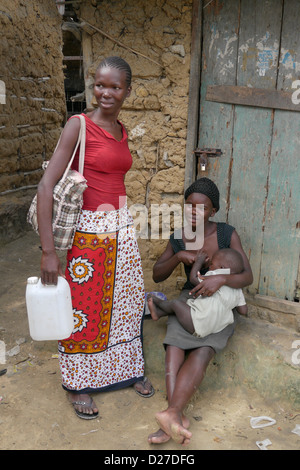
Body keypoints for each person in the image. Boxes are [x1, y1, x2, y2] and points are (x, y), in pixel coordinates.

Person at [36, 56, 154, 420]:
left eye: (114, 87)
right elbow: (46, 185)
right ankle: (79, 384)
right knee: (84, 311)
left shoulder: (122, 130)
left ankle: (125, 370)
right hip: (87, 235)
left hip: (121, 230)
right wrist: (48, 252)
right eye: (100, 85)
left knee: (125, 306)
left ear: (127, 92)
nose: (106, 92)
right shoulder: (79, 126)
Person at [148, 177, 253, 445]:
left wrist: (222, 279)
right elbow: (157, 275)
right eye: (189, 206)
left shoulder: (225, 233)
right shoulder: (179, 236)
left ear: (212, 211)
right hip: (190, 298)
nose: (194, 211)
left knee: (204, 349)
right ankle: (174, 416)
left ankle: (172, 416)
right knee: (174, 345)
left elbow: (248, 276)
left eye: (201, 207)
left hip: (219, 304)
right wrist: (176, 258)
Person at [147, 247, 248, 338]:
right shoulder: (238, 289)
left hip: (197, 324)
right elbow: (243, 311)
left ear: (221, 268)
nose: (210, 267)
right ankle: (158, 313)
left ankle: (158, 302)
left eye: (212, 264)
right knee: (183, 307)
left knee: (176, 304)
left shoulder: (214, 275)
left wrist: (198, 262)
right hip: (216, 327)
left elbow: (193, 278)